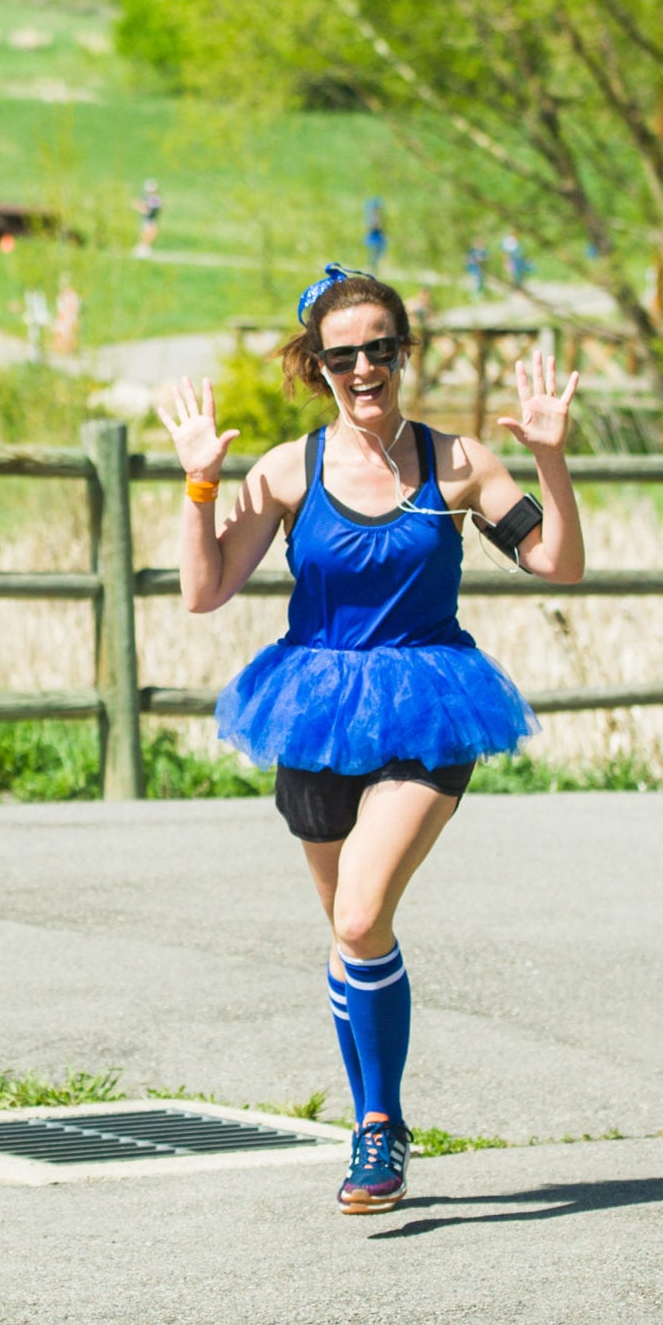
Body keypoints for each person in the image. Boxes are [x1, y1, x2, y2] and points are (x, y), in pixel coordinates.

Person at [153, 263, 584, 1215]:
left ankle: (378, 1127)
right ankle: (371, 1118)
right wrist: (197, 485)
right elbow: (203, 589)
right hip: (309, 707)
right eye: (340, 355)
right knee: (354, 934)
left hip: (431, 701)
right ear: (317, 365)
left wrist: (550, 456)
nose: (362, 369)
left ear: (401, 352)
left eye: (378, 350)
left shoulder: (459, 462)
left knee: (357, 919)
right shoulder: (285, 470)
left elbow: (558, 560)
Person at [133, 179, 164, 257]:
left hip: (152, 218)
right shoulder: (148, 198)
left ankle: (144, 247)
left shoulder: (154, 198)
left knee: (152, 233)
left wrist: (139, 205)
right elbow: (146, 209)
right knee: (148, 233)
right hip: (148, 219)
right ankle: (142, 248)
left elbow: (152, 208)